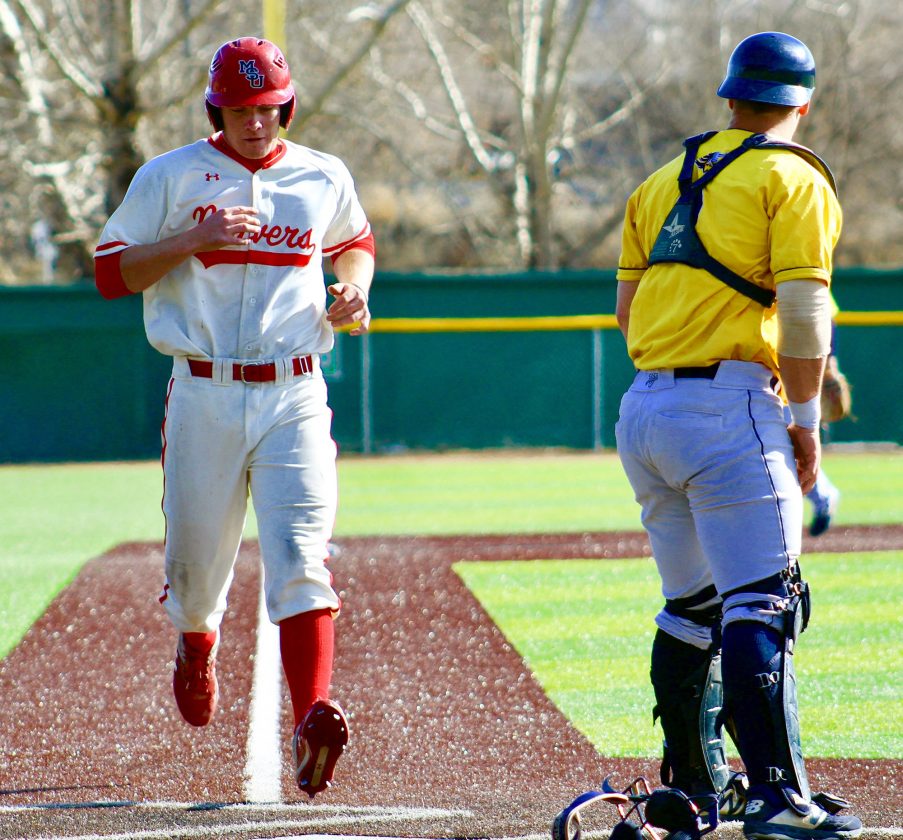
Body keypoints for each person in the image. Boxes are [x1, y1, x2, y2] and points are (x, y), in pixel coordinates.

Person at [94, 36, 375, 798]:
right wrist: (193, 237)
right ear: (217, 106)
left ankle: (313, 717)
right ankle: (195, 639)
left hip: (295, 391)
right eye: (241, 108)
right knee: (195, 570)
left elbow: (355, 243)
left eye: (269, 107)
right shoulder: (171, 175)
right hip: (204, 390)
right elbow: (108, 274)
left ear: (287, 104)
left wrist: (352, 290)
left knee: (302, 559)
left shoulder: (321, 173)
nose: (256, 121)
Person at [612, 32, 861, 840]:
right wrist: (803, 421)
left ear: (730, 97)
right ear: (802, 102)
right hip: (729, 408)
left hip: (645, 410)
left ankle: (690, 790)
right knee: (765, 601)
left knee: (690, 610)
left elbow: (627, 316)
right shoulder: (789, 176)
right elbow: (800, 313)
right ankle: (776, 797)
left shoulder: (656, 183)